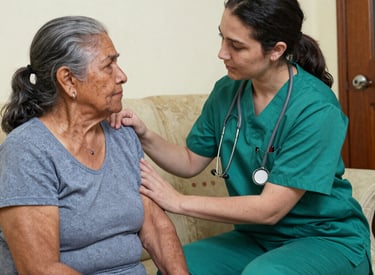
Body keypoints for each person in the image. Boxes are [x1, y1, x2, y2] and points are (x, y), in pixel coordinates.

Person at [111, 0, 373, 274]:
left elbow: (270, 209)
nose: (222, 53)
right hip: (257, 238)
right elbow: (190, 161)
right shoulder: (227, 91)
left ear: (276, 50)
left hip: (324, 239)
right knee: (175, 263)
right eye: (222, 37)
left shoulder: (315, 108)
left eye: (236, 46)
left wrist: (177, 201)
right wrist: (145, 134)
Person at [0, 16, 189, 275]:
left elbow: (156, 226)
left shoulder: (121, 134)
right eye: (108, 65)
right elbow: (40, 269)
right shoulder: (28, 151)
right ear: (68, 80)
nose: (122, 76)